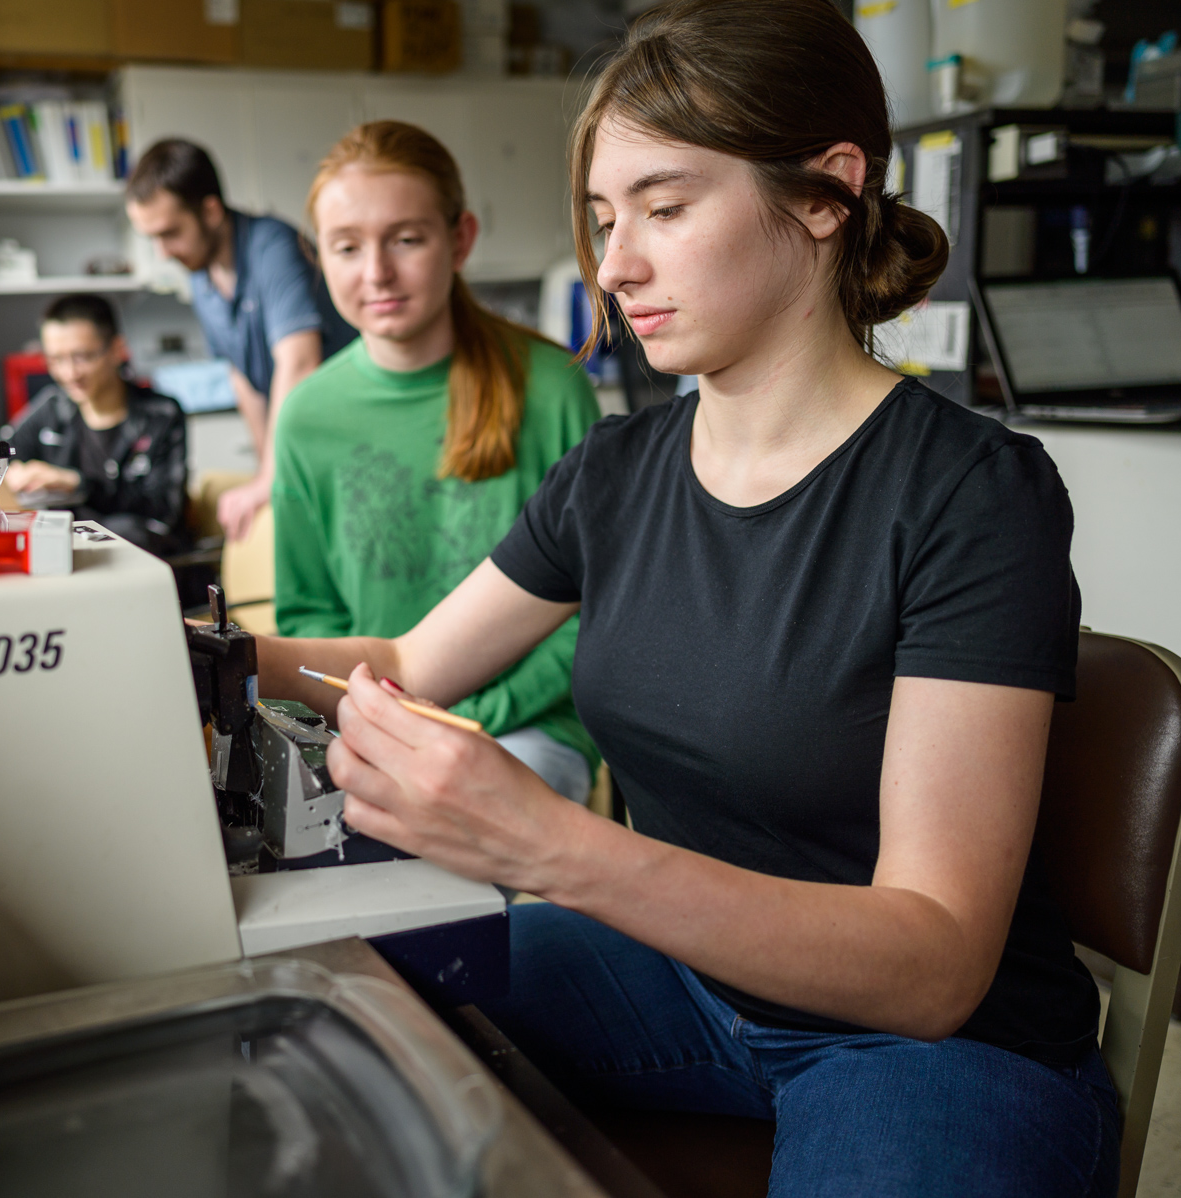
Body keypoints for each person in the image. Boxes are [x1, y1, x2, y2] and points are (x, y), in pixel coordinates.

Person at [251, 1, 1118, 1193]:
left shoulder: (972, 492)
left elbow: (933, 961)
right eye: (608, 219)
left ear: (825, 191)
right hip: (677, 973)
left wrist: (552, 846)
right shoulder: (616, 471)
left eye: (664, 207)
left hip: (926, 1043)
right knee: (329, 1015)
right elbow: (404, 657)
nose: (614, 265)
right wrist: (189, 647)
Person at [274, 121, 601, 803]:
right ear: (319, 258)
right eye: (347, 246)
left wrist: (468, 719)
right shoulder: (307, 414)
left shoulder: (550, 387)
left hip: (527, 726)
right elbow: (308, 615)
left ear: (460, 240)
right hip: (373, 722)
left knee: (449, 839)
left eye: (406, 239)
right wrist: (382, 719)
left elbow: (593, 611)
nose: (377, 273)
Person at [125, 138, 356, 541]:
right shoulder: (201, 279)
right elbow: (243, 378)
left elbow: (298, 361)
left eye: (171, 233)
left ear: (210, 211)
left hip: (349, 432)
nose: (163, 253)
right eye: (153, 239)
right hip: (304, 442)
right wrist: (266, 469)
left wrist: (272, 476)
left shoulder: (273, 246)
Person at [2, 294, 188, 556]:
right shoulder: (53, 407)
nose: (70, 374)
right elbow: (2, 452)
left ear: (116, 350)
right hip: (67, 555)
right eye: (56, 360)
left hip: (141, 555)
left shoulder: (160, 415)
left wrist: (76, 483)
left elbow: (162, 510)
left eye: (83, 357)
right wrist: (10, 473)